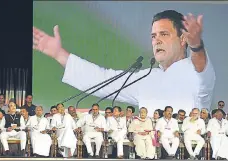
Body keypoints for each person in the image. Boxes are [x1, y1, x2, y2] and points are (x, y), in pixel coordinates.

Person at [33, 10, 215, 116]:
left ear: (183, 39)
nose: (157, 41)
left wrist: (197, 45)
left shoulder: (195, 73)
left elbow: (201, 67)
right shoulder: (147, 77)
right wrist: (59, 54)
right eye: (153, 36)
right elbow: (102, 80)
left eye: (164, 34)